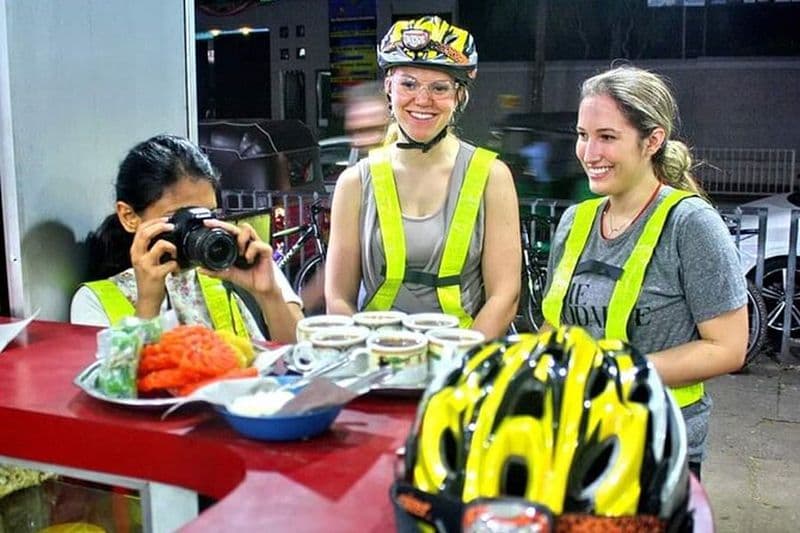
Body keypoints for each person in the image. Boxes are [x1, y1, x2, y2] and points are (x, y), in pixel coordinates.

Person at [541, 65, 748, 480]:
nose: (589, 153)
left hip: (659, 444)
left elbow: (728, 348)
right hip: (578, 439)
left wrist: (615, 373)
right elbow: (557, 325)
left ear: (652, 140)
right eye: (583, 136)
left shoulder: (690, 225)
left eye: (607, 137)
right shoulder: (575, 221)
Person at [325, 16, 521, 340]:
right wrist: (372, 357)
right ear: (388, 87)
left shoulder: (492, 177)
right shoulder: (355, 183)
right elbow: (337, 298)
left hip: (462, 365)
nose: (422, 100)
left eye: (439, 87)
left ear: (459, 96)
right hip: (378, 362)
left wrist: (459, 363)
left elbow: (505, 297)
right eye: (409, 84)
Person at [70, 134, 303, 343]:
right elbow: (115, 385)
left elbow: (306, 361)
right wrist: (148, 303)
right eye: (178, 218)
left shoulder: (238, 262)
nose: (197, 232)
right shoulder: (93, 301)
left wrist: (268, 293)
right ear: (129, 216)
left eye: (206, 215)